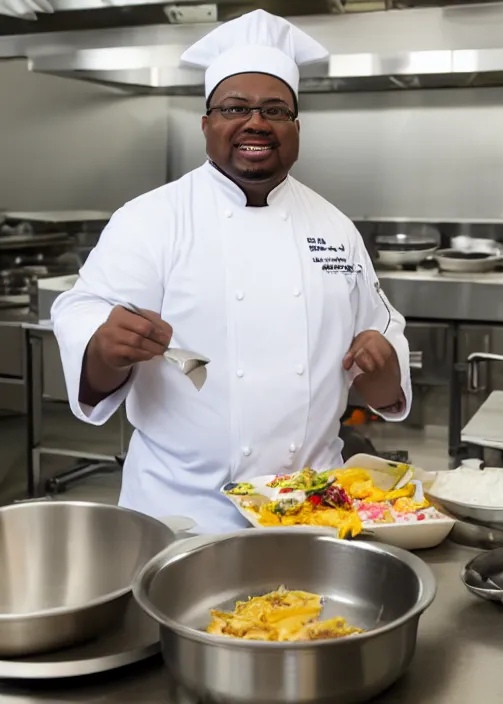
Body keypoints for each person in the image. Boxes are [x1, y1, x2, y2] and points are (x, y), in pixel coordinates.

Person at [52, 10, 412, 534]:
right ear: (206, 124)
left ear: (295, 126)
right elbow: (83, 316)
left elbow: (383, 368)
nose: (256, 123)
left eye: (275, 110)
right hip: (183, 516)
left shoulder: (335, 228)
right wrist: (104, 346)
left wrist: (384, 370)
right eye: (234, 108)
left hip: (313, 514)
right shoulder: (150, 219)